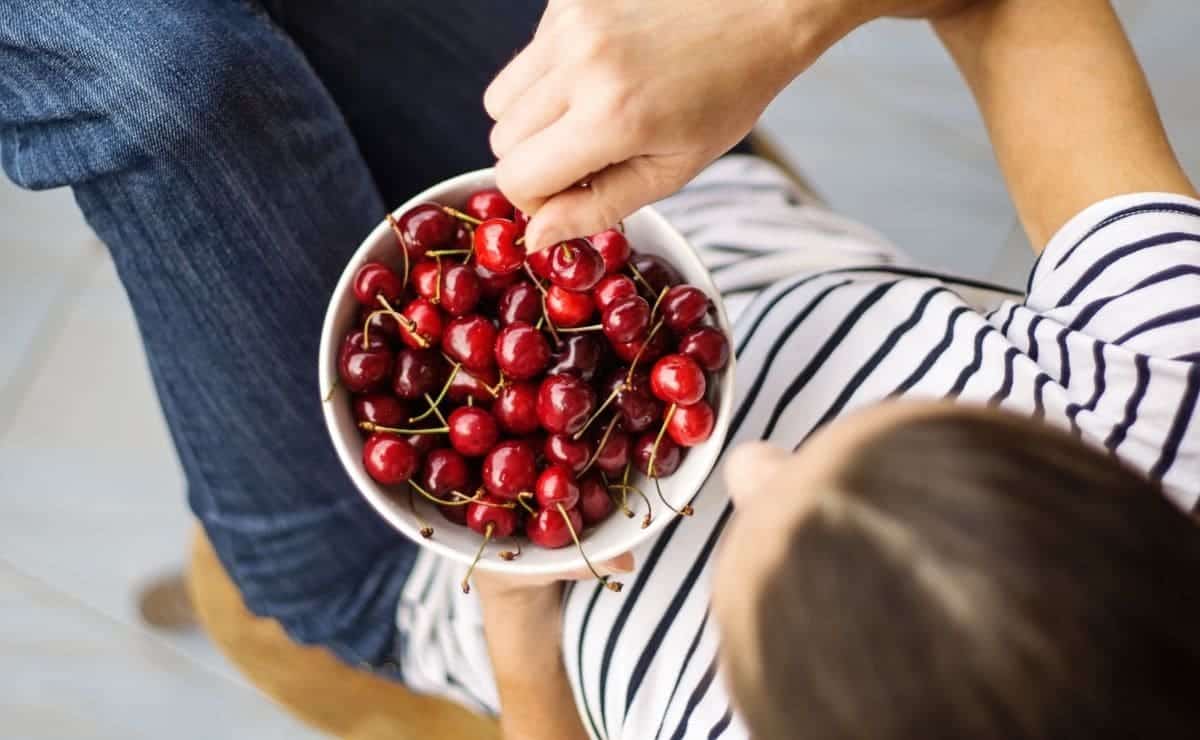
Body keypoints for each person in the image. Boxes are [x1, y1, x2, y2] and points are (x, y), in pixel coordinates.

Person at [1, 1, 1196, 740]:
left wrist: (518, 626)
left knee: (154, 78)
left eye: (754, 568)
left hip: (409, 568)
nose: (751, 459)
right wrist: (777, 16)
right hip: (671, 211)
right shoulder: (1172, 387)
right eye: (877, 438)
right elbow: (1021, 6)